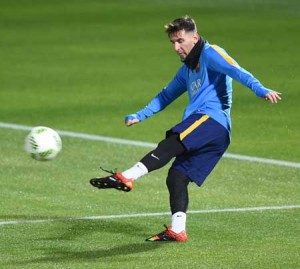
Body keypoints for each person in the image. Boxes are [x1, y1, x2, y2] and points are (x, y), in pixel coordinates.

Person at [90, 15, 281, 242]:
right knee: (177, 177)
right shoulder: (187, 70)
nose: (176, 47)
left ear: (195, 37)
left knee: (172, 142)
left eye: (180, 41)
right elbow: (166, 96)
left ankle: (127, 176)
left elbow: (236, 70)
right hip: (217, 134)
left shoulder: (211, 53)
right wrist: (140, 115)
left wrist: (260, 89)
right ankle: (178, 230)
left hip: (211, 120)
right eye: (173, 43)